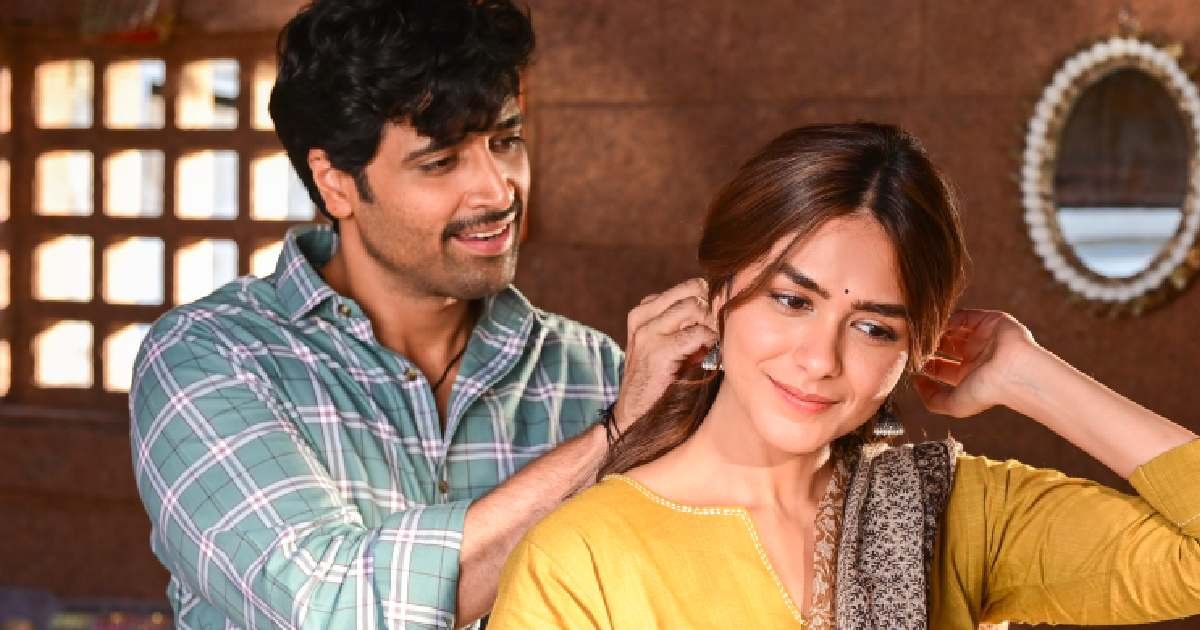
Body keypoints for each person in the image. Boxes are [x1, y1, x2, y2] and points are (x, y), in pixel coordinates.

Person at [128, 1, 712, 628]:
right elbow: (336, 609)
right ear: (336, 183)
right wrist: (612, 438)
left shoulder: (592, 370)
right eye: (440, 162)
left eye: (506, 142)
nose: (497, 191)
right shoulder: (210, 358)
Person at [487, 123, 1200, 629]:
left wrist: (1025, 372)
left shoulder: (952, 514)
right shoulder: (582, 559)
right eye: (792, 301)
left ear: (913, 351)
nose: (820, 359)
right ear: (721, 293)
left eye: (874, 328)